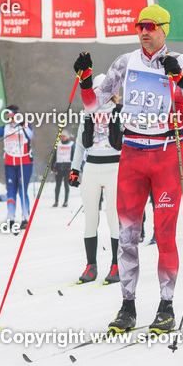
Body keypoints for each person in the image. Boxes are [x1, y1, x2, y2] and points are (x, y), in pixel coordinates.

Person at [75, 4, 183, 334]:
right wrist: (84, 80)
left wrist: (182, 80)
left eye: (151, 26)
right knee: (127, 236)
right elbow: (94, 104)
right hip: (133, 154)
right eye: (140, 25)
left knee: (165, 235)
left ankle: (166, 307)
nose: (144, 31)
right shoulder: (125, 62)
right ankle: (127, 307)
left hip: (168, 154)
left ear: (164, 29)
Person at [71, 73, 123, 284]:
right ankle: (90, 266)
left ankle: (116, 265)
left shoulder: (120, 113)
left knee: (113, 218)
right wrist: (75, 169)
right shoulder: (87, 114)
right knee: (90, 219)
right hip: (92, 168)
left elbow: (130, 140)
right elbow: (80, 145)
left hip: (114, 168)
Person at [0, 105, 33, 233]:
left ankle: (25, 218)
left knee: (22, 190)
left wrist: (23, 124)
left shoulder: (24, 125)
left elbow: (30, 135)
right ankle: (11, 218)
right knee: (10, 191)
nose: (10, 120)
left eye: (12, 117)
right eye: (8, 118)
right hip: (10, 163)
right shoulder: (5, 128)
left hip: (24, 163)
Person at [51, 130, 74, 207]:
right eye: (61, 136)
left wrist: (73, 166)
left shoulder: (71, 144)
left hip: (67, 167)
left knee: (66, 185)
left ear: (67, 136)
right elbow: (54, 155)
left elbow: (74, 155)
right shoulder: (57, 144)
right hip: (59, 166)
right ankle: (56, 201)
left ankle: (65, 201)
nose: (62, 137)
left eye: (63, 136)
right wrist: (52, 165)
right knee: (58, 185)